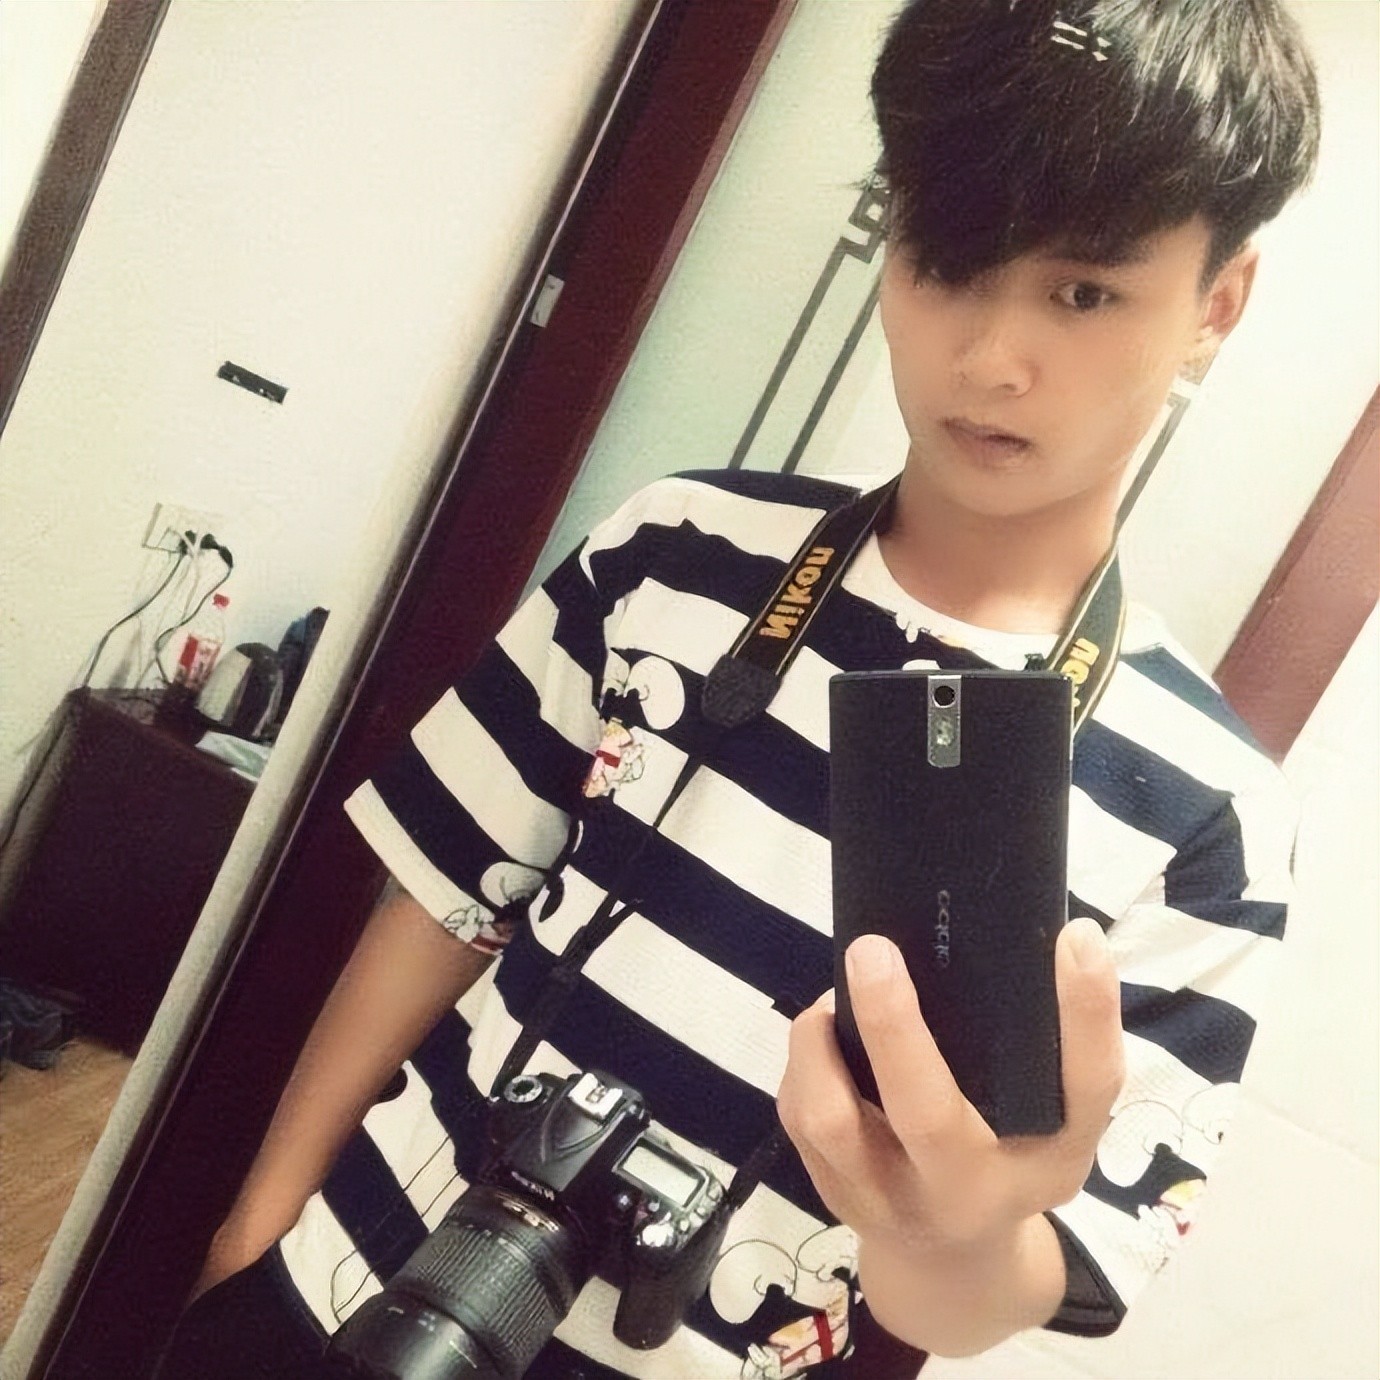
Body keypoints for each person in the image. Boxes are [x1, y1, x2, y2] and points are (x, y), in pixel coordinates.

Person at [160, 0, 1320, 1375]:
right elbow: (444, 900)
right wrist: (255, 1230)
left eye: (1082, 293)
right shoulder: (675, 546)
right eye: (944, 261)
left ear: (1217, 304)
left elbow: (963, 1313)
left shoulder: (1212, 818)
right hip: (349, 1286)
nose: (988, 361)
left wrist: (962, 1230)